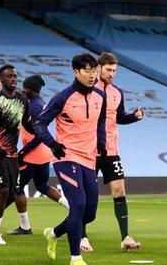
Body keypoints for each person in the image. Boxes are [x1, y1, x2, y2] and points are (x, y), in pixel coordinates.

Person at [35, 53, 106, 265]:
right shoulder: (62, 97)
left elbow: (101, 122)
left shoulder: (99, 97)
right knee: (78, 205)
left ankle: (54, 233)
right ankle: (76, 257)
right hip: (66, 157)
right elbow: (39, 123)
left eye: (94, 70)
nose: (92, 74)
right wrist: (53, 144)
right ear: (76, 72)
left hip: (89, 158)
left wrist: (101, 143)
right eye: (87, 70)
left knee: (89, 212)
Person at [80, 52, 143, 252]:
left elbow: (119, 117)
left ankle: (125, 237)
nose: (111, 74)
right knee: (87, 197)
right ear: (98, 68)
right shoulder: (88, 90)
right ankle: (82, 236)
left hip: (111, 149)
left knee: (119, 190)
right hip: (89, 149)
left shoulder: (117, 92)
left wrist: (134, 117)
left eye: (114, 70)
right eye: (108, 70)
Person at [0, 64, 34, 245]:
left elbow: (27, 123)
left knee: (11, 194)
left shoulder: (22, 100)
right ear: (1, 80)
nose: (14, 79)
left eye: (15, 76)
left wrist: (42, 134)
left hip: (12, 154)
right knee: (2, 190)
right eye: (9, 76)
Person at [8, 74, 69, 236]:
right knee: (42, 185)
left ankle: (25, 226)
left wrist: (23, 152)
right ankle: (73, 207)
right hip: (44, 154)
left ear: (31, 90)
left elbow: (38, 135)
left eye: (25, 87)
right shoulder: (40, 103)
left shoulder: (33, 107)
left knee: (17, 188)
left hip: (33, 155)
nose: (22, 89)